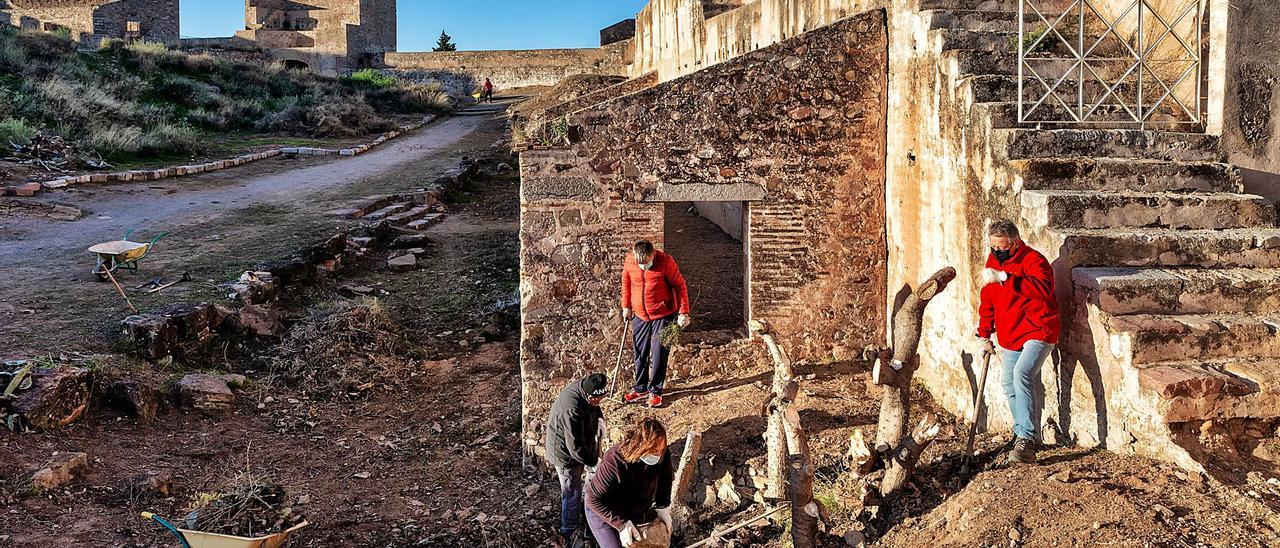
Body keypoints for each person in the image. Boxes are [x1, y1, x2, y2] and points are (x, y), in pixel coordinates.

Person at [974, 219, 1060, 464]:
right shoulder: (993, 263)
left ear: (1016, 243)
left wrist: (1006, 277)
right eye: (993, 248)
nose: (997, 253)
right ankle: (1021, 430)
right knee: (1009, 384)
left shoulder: (1034, 260)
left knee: (1023, 373)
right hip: (1010, 334)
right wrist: (984, 333)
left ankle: (1027, 439)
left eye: (1002, 248)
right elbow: (988, 299)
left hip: (1039, 329)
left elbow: (1044, 289)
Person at [620, 240, 690, 408]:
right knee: (640, 352)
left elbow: (680, 286)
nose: (644, 266)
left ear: (653, 255)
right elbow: (626, 283)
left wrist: (683, 312)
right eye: (640, 263)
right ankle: (641, 388)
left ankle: (656, 391)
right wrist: (626, 306)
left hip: (663, 314)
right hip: (640, 315)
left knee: (659, 353)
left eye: (647, 263)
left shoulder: (666, 261)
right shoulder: (630, 260)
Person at [585, 418, 674, 548]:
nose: (658, 454)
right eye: (654, 451)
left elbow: (666, 477)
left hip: (634, 508)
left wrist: (663, 506)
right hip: (604, 509)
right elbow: (593, 499)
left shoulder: (662, 454)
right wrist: (622, 525)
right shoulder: (614, 461)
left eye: (661, 450)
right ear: (640, 446)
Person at [545, 373, 609, 546]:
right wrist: (593, 462)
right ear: (588, 395)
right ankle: (569, 530)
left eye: (601, 398)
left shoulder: (588, 386)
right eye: (596, 400)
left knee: (588, 486)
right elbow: (575, 448)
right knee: (571, 491)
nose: (598, 402)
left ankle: (588, 517)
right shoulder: (571, 408)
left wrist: (599, 419)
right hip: (564, 453)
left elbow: (595, 405)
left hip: (581, 441)